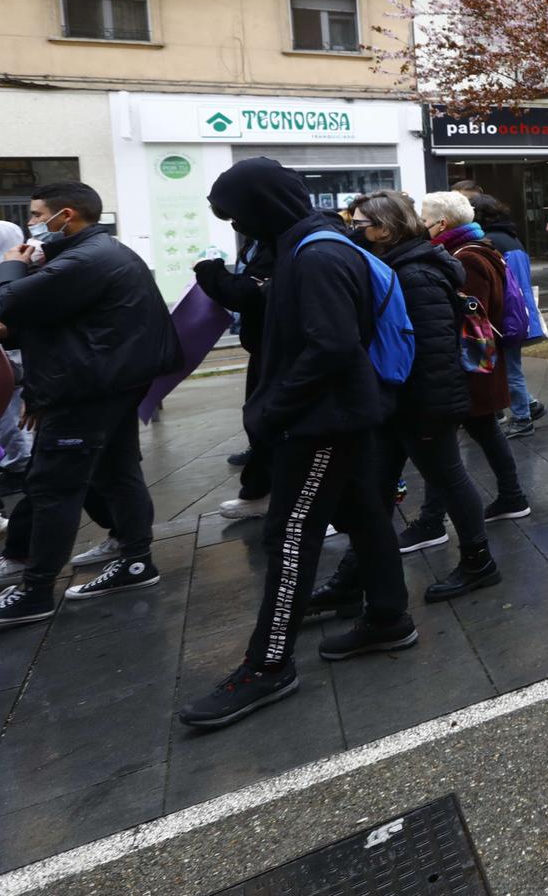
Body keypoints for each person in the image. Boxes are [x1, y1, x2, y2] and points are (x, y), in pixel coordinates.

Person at [178, 163, 406, 728]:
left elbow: (331, 347)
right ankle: (387, 618)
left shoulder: (317, 254)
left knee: (289, 536)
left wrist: (271, 408)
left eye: (237, 214)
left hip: (320, 424)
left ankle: (269, 664)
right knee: (364, 516)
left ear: (264, 205)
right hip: (331, 417)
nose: (239, 227)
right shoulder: (304, 246)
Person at [303, 191, 494, 643]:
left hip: (422, 402)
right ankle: (352, 578)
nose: (354, 228)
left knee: (448, 477)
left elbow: (428, 351)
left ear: (386, 229)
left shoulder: (415, 274)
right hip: (399, 402)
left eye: (361, 222)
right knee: (374, 491)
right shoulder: (398, 266)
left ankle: (478, 561)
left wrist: (421, 408)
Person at [0, 182, 176, 630]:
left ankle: (35, 591)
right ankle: (134, 559)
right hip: (103, 382)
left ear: (65, 216)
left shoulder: (85, 260)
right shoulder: (94, 254)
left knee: (55, 486)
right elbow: (49, 321)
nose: (32, 224)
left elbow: (6, 302)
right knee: (116, 470)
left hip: (86, 389)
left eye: (36, 215)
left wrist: (8, 266)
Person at [407, 192, 530, 565]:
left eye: (423, 218)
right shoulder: (475, 249)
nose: (419, 224)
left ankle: (432, 521)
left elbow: (467, 321)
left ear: (441, 224)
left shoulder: (467, 258)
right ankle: (512, 497)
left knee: (441, 443)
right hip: (479, 368)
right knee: (483, 433)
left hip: (471, 367)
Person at [193, 176, 283, 520]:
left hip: (283, 350)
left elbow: (245, 292)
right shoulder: (260, 237)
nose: (235, 224)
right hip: (265, 345)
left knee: (270, 422)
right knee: (260, 420)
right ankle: (261, 489)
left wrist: (210, 271)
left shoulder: (289, 242)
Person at [473, 195, 545, 438]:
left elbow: (504, 285)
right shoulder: (510, 236)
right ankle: (531, 405)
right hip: (517, 312)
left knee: (510, 369)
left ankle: (523, 418)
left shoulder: (492, 241)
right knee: (510, 367)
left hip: (505, 315)